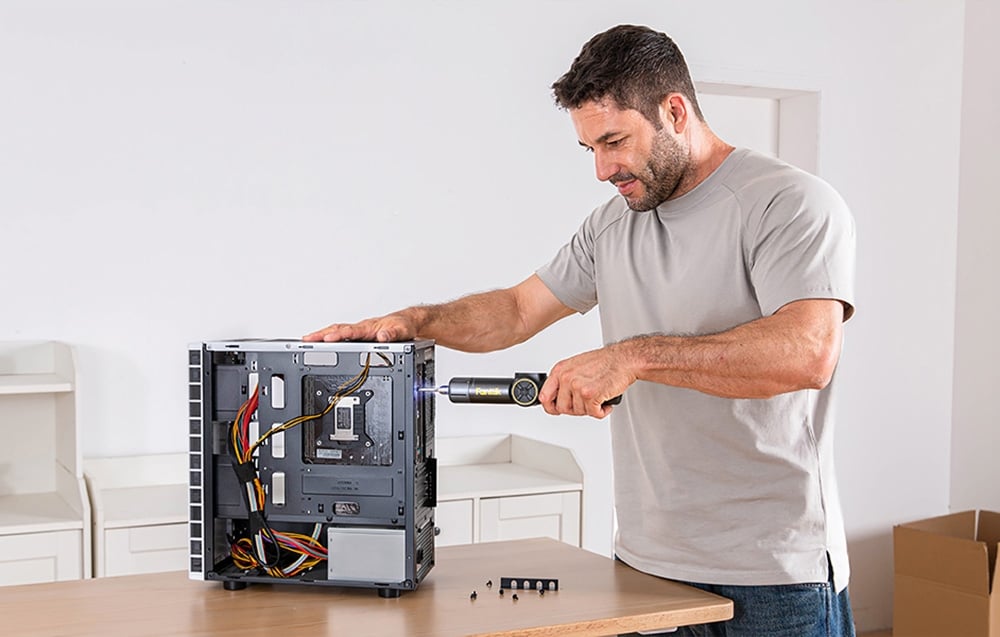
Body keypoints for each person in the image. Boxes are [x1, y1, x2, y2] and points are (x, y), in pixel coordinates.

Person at [304, 24, 856, 637]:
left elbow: (807, 353)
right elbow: (518, 310)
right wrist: (415, 321)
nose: (602, 169)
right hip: (648, 562)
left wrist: (632, 358)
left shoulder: (788, 202)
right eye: (589, 148)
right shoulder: (612, 226)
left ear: (675, 112)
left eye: (614, 141)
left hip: (774, 574)